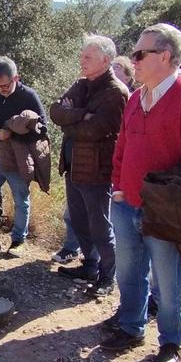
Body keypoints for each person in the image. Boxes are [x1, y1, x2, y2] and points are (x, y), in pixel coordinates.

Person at [101, 23, 181, 362]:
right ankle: (131, 326)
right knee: (130, 271)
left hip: (167, 212)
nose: (132, 60)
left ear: (165, 56)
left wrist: (173, 202)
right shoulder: (136, 97)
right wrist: (118, 185)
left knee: (168, 282)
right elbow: (123, 146)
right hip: (125, 203)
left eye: (140, 54)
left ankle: (170, 341)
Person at [49, 35, 129, 298]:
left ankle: (108, 277)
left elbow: (96, 130)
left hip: (97, 170)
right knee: (80, 221)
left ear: (105, 60)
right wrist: (81, 114)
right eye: (82, 55)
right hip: (73, 166)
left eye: (87, 57)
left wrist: (71, 121)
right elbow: (56, 112)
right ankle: (90, 266)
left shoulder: (116, 92)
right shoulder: (81, 84)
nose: (81, 60)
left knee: (100, 226)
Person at [0, 57, 47, 253]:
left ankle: (18, 240)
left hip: (17, 160)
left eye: (5, 85)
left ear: (16, 78)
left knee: (21, 201)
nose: (1, 89)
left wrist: (11, 134)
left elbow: (42, 129)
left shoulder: (28, 96)